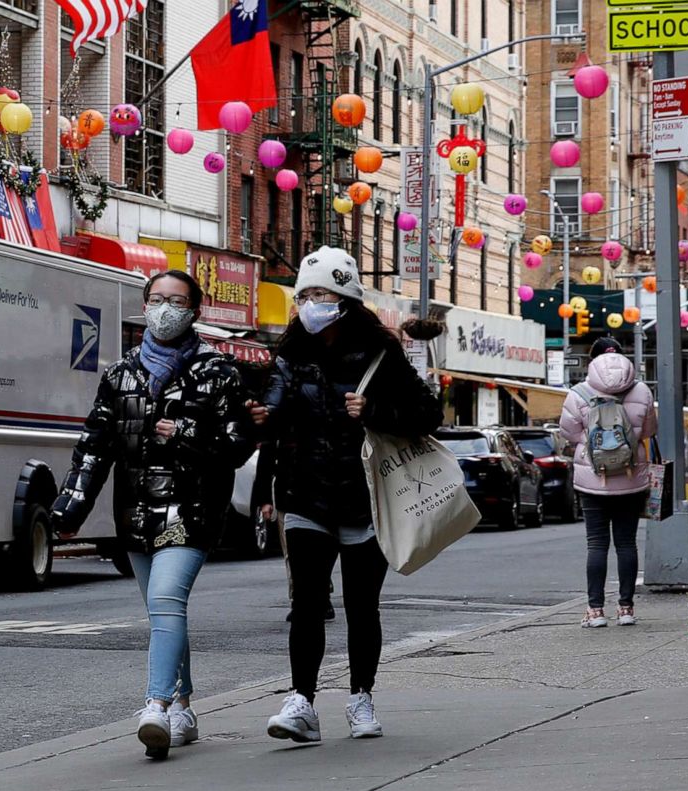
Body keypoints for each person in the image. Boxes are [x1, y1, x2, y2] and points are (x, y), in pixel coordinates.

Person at [51, 270, 255, 760]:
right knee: (163, 612)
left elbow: (239, 444)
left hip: (193, 508)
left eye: (177, 301)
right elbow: (95, 445)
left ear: (195, 311)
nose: (166, 309)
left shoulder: (218, 371)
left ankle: (157, 706)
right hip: (136, 512)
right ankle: (184, 705)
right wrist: (71, 506)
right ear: (145, 306)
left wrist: (184, 431)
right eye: (158, 299)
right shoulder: (120, 374)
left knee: (166, 598)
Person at [248, 246, 443, 743]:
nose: (312, 303)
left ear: (346, 299)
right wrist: (258, 422)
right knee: (307, 602)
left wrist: (373, 410)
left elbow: (427, 415)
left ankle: (361, 697)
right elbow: (274, 420)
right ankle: (301, 702)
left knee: (362, 604)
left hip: (366, 499)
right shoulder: (289, 353)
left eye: (323, 294)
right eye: (306, 295)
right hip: (307, 495)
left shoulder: (382, 351)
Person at [559, 337, 656, 628]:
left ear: (592, 361)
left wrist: (593, 445)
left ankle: (595, 611)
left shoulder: (578, 393)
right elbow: (649, 430)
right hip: (631, 477)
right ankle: (626, 608)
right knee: (627, 544)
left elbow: (569, 433)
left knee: (596, 544)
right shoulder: (641, 390)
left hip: (593, 479)